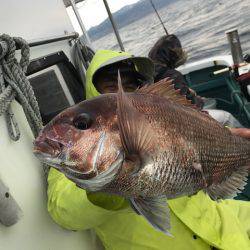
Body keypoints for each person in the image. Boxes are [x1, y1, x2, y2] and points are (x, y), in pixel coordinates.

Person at [47, 49, 250, 250]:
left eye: (130, 87)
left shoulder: (160, 115)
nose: (122, 96)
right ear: (93, 92)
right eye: (112, 87)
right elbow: (65, 214)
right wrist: (108, 187)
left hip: (225, 230)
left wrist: (231, 140)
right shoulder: (65, 165)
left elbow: (198, 135)